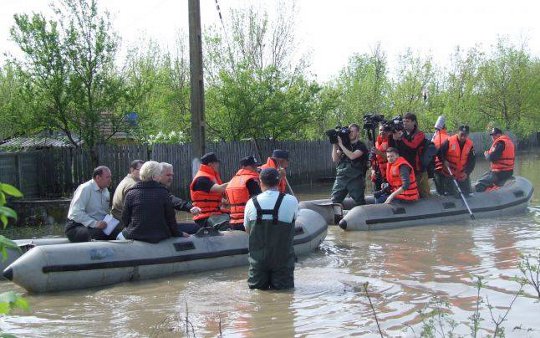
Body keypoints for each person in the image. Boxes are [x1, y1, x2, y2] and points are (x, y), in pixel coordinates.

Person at [244, 167, 299, 290]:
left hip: (258, 261)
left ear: (260, 182)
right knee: (285, 297)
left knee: (256, 294)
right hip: (283, 260)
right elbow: (294, 221)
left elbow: (248, 230)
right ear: (279, 182)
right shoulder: (291, 200)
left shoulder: (250, 203)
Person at [119, 161, 186, 243]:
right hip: (160, 235)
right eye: (159, 174)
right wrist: (178, 233)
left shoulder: (131, 193)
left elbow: (125, 218)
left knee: (119, 236)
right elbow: (170, 219)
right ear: (155, 176)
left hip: (135, 234)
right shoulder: (164, 193)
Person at [65, 166, 120, 242]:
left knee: (117, 232)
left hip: (95, 226)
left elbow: (102, 213)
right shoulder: (85, 188)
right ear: (98, 177)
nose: (110, 180)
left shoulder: (105, 191)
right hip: (76, 227)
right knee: (99, 234)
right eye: (107, 177)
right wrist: (95, 223)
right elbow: (75, 213)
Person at [390, 112, 430, 198]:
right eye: (403, 121)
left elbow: (413, 146)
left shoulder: (419, 134)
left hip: (418, 170)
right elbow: (394, 150)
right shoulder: (401, 133)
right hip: (405, 170)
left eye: (407, 121)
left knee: (424, 194)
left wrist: (402, 138)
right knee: (409, 195)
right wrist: (394, 139)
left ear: (414, 122)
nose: (405, 123)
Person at [330, 123, 369, 206]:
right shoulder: (344, 145)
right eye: (349, 132)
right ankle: (336, 217)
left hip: (355, 179)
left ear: (357, 133)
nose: (350, 134)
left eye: (352, 131)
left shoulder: (361, 146)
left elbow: (352, 156)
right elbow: (335, 159)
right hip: (341, 178)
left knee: (359, 202)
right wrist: (335, 144)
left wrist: (341, 144)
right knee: (334, 201)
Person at [159, 162, 202, 234]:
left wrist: (190, 207)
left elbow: (174, 200)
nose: (171, 178)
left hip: (159, 227)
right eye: (168, 175)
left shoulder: (157, 188)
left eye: (172, 175)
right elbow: (172, 200)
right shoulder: (158, 190)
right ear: (158, 175)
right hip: (162, 228)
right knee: (197, 228)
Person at [190, 152, 229, 227]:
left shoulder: (209, 176)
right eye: (217, 163)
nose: (218, 165)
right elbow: (219, 189)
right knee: (227, 225)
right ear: (210, 164)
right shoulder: (201, 179)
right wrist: (235, 182)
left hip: (214, 214)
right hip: (204, 217)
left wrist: (224, 202)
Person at [225, 156, 262, 231]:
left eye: (256, 166)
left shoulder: (232, 180)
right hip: (248, 221)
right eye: (253, 166)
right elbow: (260, 200)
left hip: (233, 221)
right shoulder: (251, 181)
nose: (255, 168)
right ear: (244, 167)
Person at [438, 125, 476, 196]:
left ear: (468, 134)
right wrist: (444, 161)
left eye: (465, 135)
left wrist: (467, 173)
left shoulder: (470, 144)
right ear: (458, 133)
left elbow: (472, 161)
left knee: (466, 193)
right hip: (449, 174)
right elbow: (439, 153)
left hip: (462, 174)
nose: (463, 137)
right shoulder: (449, 141)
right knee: (452, 194)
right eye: (461, 134)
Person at [475, 127, 515, 192]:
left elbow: (492, 158)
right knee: (486, 176)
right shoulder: (509, 142)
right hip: (509, 171)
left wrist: (486, 154)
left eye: (495, 135)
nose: (493, 136)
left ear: (499, 134)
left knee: (479, 185)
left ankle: (486, 196)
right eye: (492, 135)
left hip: (499, 173)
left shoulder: (500, 143)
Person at [110, 159, 144, 225]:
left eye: (144, 170)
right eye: (140, 170)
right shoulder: (132, 185)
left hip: (117, 218)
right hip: (122, 222)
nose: (142, 173)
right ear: (132, 170)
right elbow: (134, 210)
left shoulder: (127, 179)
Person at [431, 116, 450, 195]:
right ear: (445, 128)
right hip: (447, 168)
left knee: (440, 192)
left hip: (436, 168)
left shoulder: (433, 139)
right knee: (449, 191)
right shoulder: (449, 138)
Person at [371, 123, 390, 191]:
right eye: (380, 130)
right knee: (376, 191)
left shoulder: (391, 141)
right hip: (378, 170)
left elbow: (392, 158)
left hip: (388, 170)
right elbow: (373, 159)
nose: (382, 131)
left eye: (384, 130)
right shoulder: (376, 143)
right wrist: (373, 170)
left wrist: (379, 153)